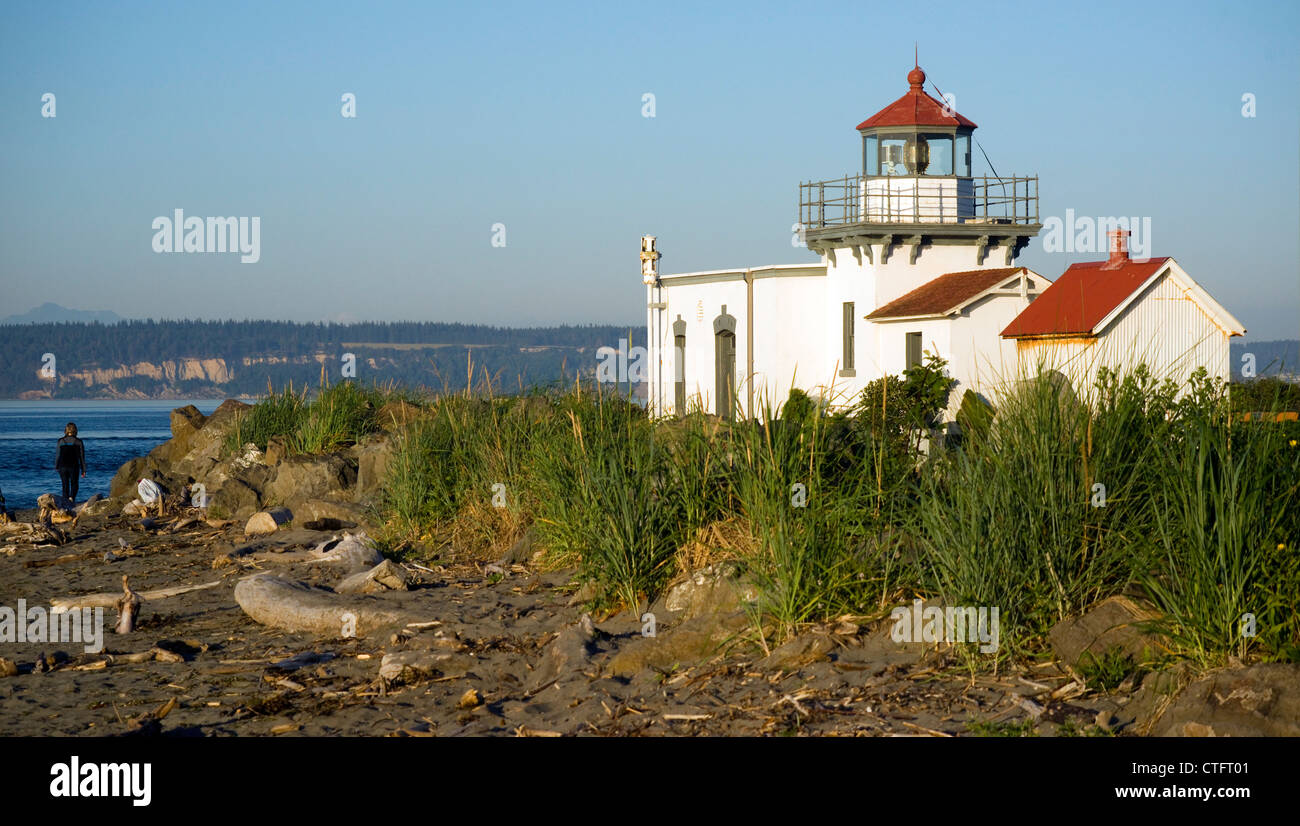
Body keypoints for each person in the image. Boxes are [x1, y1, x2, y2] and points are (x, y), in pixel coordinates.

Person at [55, 422, 86, 504]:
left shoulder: (60, 441)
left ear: (66, 430)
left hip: (62, 466)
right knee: (74, 484)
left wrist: (56, 466)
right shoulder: (79, 442)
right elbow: (82, 457)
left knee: (65, 485)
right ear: (75, 430)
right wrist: (83, 469)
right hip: (74, 466)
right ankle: (72, 498)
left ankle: (65, 502)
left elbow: (57, 455)